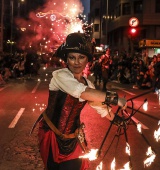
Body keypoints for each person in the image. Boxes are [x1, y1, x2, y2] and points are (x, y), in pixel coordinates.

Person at [37, 33, 126, 170]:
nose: (77, 62)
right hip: (52, 136)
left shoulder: (87, 83)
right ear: (66, 59)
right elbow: (81, 92)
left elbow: (101, 107)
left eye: (81, 57)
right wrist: (115, 99)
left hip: (73, 139)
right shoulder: (60, 76)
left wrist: (118, 120)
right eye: (72, 57)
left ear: (87, 60)